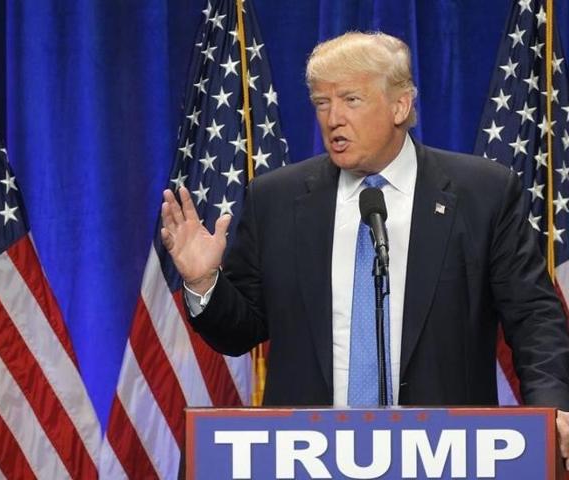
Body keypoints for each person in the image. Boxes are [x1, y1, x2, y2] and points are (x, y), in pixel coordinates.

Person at [160, 31, 569, 467]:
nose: (333, 118)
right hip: (309, 457)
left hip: (445, 455)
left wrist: (553, 410)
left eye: (351, 100)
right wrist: (203, 281)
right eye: (321, 102)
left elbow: (534, 318)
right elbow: (239, 332)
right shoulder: (276, 199)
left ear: (400, 105)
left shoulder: (481, 192)